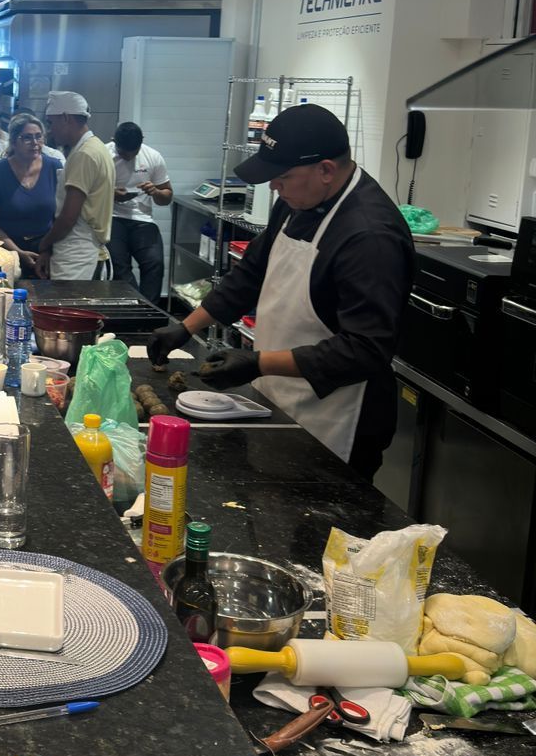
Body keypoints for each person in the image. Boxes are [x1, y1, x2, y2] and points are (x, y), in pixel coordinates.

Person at [147, 104, 413, 479]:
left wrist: (259, 362)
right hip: (283, 398)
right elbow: (252, 272)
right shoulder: (299, 201)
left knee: (316, 530)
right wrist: (186, 327)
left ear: (325, 170)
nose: (274, 186)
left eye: (283, 176)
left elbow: (365, 349)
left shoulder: (369, 237)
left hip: (337, 418)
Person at [37, 91, 115, 280]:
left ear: (65, 118)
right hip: (84, 249)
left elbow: (69, 217)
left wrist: (45, 244)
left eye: (51, 122)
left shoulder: (84, 154)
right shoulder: (97, 147)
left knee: (68, 307)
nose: (50, 130)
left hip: (78, 254)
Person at [0, 114, 62, 273]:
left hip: (47, 247)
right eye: (27, 138)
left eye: (39, 137)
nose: (35, 143)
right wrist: (18, 252)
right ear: (14, 142)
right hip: (6, 249)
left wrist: (47, 249)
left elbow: (61, 216)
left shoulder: (54, 167)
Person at [109, 121, 173, 303]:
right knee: (119, 265)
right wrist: (111, 194)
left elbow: (167, 197)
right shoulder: (103, 155)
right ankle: (137, 307)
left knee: (155, 263)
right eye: (123, 153)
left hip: (143, 220)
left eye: (134, 153)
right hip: (112, 217)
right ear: (114, 141)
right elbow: (88, 193)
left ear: (141, 142)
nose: (128, 157)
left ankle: (149, 312)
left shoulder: (153, 156)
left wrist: (156, 192)